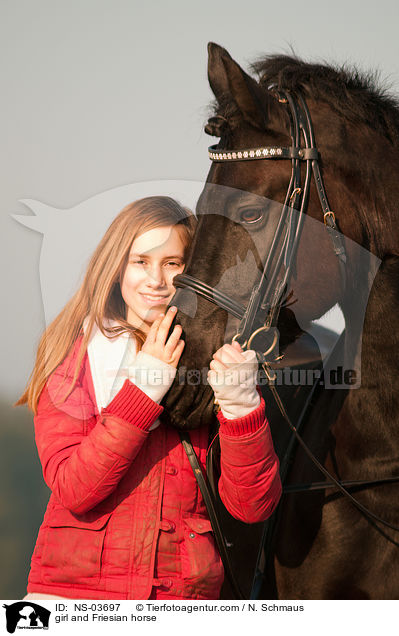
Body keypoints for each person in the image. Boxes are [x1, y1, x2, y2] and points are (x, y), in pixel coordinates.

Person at [17, 195, 282, 601]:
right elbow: (75, 488)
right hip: (76, 599)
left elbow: (252, 507)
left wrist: (242, 406)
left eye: (172, 263)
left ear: (194, 272)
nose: (156, 280)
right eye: (140, 261)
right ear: (116, 267)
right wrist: (144, 388)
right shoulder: (74, 352)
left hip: (181, 600)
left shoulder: (215, 362)